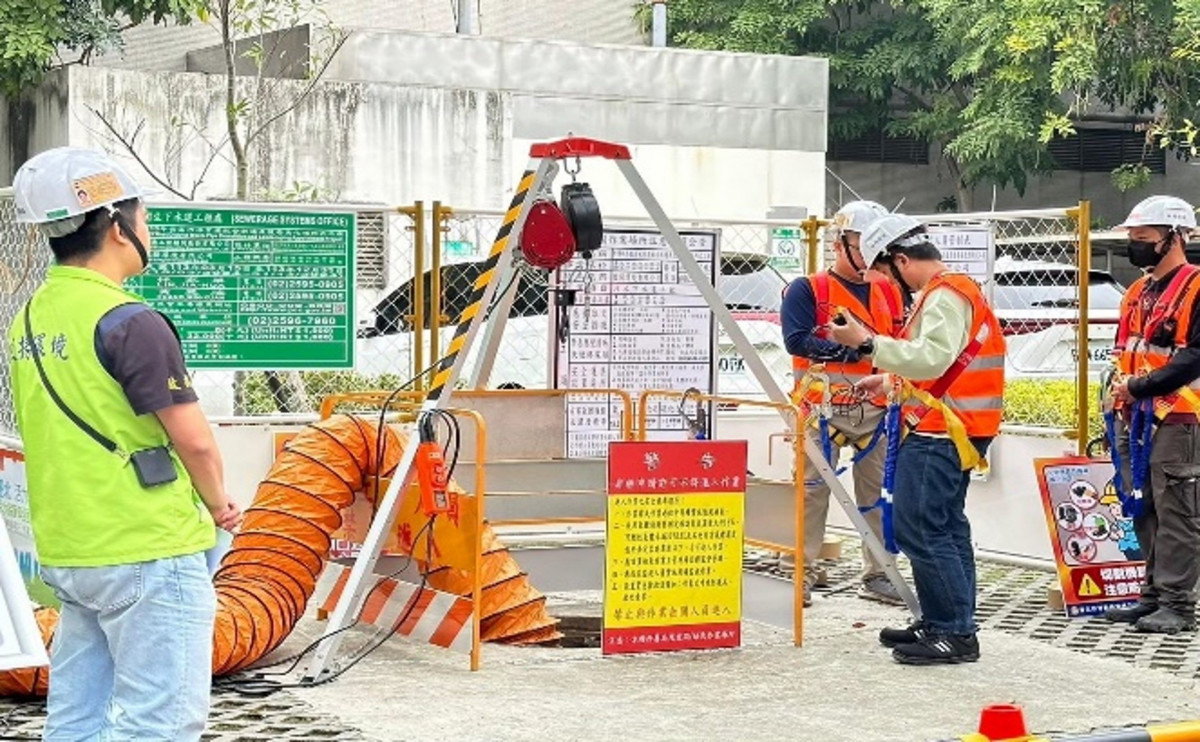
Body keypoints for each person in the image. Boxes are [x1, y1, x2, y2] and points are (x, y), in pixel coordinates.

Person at [8, 147, 242, 740]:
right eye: (143, 215)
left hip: (71, 551)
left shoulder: (30, 316)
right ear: (116, 225)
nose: (148, 227)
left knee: (78, 718)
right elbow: (194, 443)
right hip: (147, 548)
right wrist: (219, 504)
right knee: (158, 724)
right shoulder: (130, 321)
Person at [830, 213, 1005, 665]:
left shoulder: (945, 294)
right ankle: (945, 621)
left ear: (901, 260)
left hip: (940, 432)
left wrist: (867, 343)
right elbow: (945, 366)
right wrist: (889, 382)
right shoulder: (952, 290)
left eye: (886, 275)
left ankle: (953, 632)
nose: (887, 285)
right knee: (944, 526)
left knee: (922, 528)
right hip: (950, 427)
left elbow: (931, 359)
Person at [781, 200, 907, 607]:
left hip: (876, 408)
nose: (872, 249)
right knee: (811, 491)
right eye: (863, 241)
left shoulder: (888, 289)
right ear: (841, 243)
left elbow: (901, 343)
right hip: (821, 408)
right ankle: (801, 569)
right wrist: (849, 352)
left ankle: (880, 571)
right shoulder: (808, 289)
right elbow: (796, 340)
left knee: (879, 493)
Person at [1102, 195, 1200, 634]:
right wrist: (1117, 395)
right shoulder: (1138, 292)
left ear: (1174, 238)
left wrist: (1140, 387)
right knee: (1142, 507)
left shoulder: (1196, 287)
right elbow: (1126, 350)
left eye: (1144, 239)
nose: (1135, 246)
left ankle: (1177, 604)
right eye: (1133, 239)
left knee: (1176, 512)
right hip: (1132, 416)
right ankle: (1151, 595)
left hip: (1178, 418)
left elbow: (1193, 356)